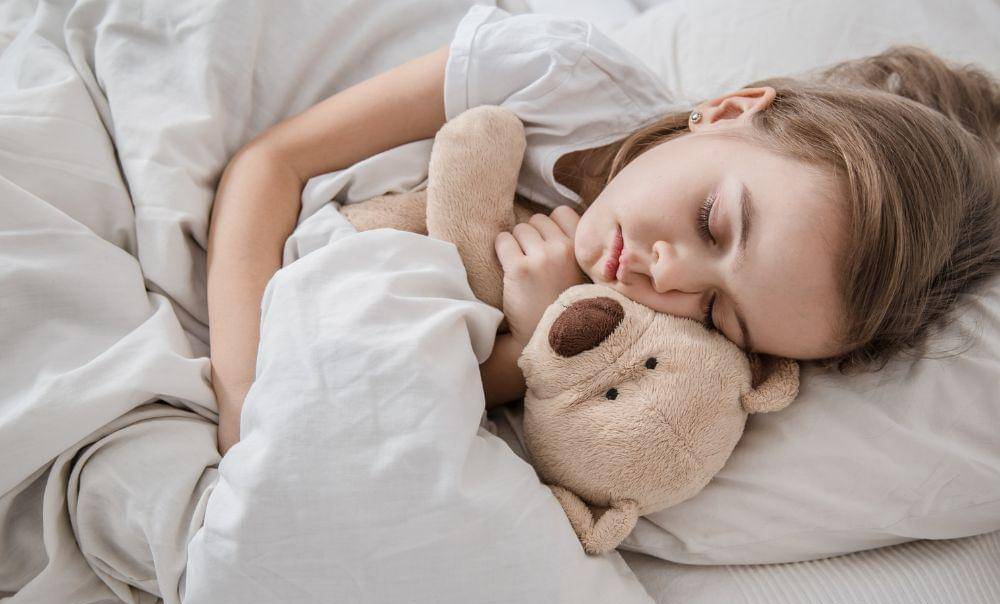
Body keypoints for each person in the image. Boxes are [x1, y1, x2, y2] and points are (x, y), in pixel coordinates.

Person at [207, 7, 1000, 455]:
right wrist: (242, 397)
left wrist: (535, 341)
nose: (669, 279)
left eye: (723, 314)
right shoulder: (553, 73)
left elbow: (419, 384)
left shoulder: (660, 334)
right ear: (726, 112)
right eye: (711, 222)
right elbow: (272, 163)